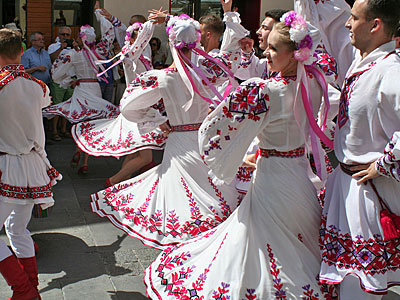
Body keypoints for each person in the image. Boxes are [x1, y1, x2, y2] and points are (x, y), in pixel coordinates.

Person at [144, 11, 338, 299]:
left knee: (261, 237)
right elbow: (326, 118)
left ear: (295, 52)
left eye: (273, 48)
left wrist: (231, 158)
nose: (266, 52)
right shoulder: (316, 82)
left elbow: (214, 130)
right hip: (299, 174)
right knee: (294, 236)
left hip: (272, 175)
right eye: (267, 46)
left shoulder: (265, 91)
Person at [90, 2, 248, 250]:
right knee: (213, 188)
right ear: (196, 42)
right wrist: (228, 14)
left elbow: (129, 106)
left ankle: (187, 242)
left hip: (179, 141)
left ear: (172, 44)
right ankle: (210, 239)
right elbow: (232, 51)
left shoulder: (162, 77)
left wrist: (159, 121)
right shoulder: (208, 69)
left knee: (181, 193)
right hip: (205, 138)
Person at [299, 0, 400, 298]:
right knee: (346, 280)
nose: (346, 24)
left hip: (369, 194)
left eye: (353, 18)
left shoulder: (391, 71)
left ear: (375, 25)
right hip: (348, 186)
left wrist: (383, 165)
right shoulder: (364, 61)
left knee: (360, 286)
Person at [0, 28, 62, 300]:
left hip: (8, 165)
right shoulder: (39, 86)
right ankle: (31, 289)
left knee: (16, 229)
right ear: (20, 52)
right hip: (32, 165)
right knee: (16, 229)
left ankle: (24, 290)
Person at [71, 17, 167, 186]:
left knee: (133, 151)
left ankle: (119, 184)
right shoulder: (131, 56)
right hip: (138, 109)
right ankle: (114, 181)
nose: (144, 42)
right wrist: (152, 24)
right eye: (140, 37)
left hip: (141, 107)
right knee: (145, 157)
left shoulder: (140, 56)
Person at [42, 1, 119, 174]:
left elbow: (56, 73)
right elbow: (109, 34)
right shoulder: (100, 51)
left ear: (80, 38)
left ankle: (78, 148)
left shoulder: (73, 55)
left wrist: (68, 80)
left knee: (80, 122)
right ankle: (84, 160)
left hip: (82, 89)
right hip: (95, 89)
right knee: (91, 124)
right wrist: (99, 14)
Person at [236, 9, 288, 81]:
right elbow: (245, 73)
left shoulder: (294, 68)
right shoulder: (264, 64)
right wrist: (247, 53)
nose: (258, 32)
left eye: (265, 28)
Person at [47, 26, 76, 141]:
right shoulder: (53, 46)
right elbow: (51, 59)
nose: (65, 37)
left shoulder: (73, 48)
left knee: (67, 106)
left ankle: (63, 129)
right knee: (57, 106)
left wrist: (76, 46)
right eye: (63, 35)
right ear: (58, 35)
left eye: (67, 35)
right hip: (57, 81)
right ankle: (54, 131)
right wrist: (61, 48)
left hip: (70, 80)